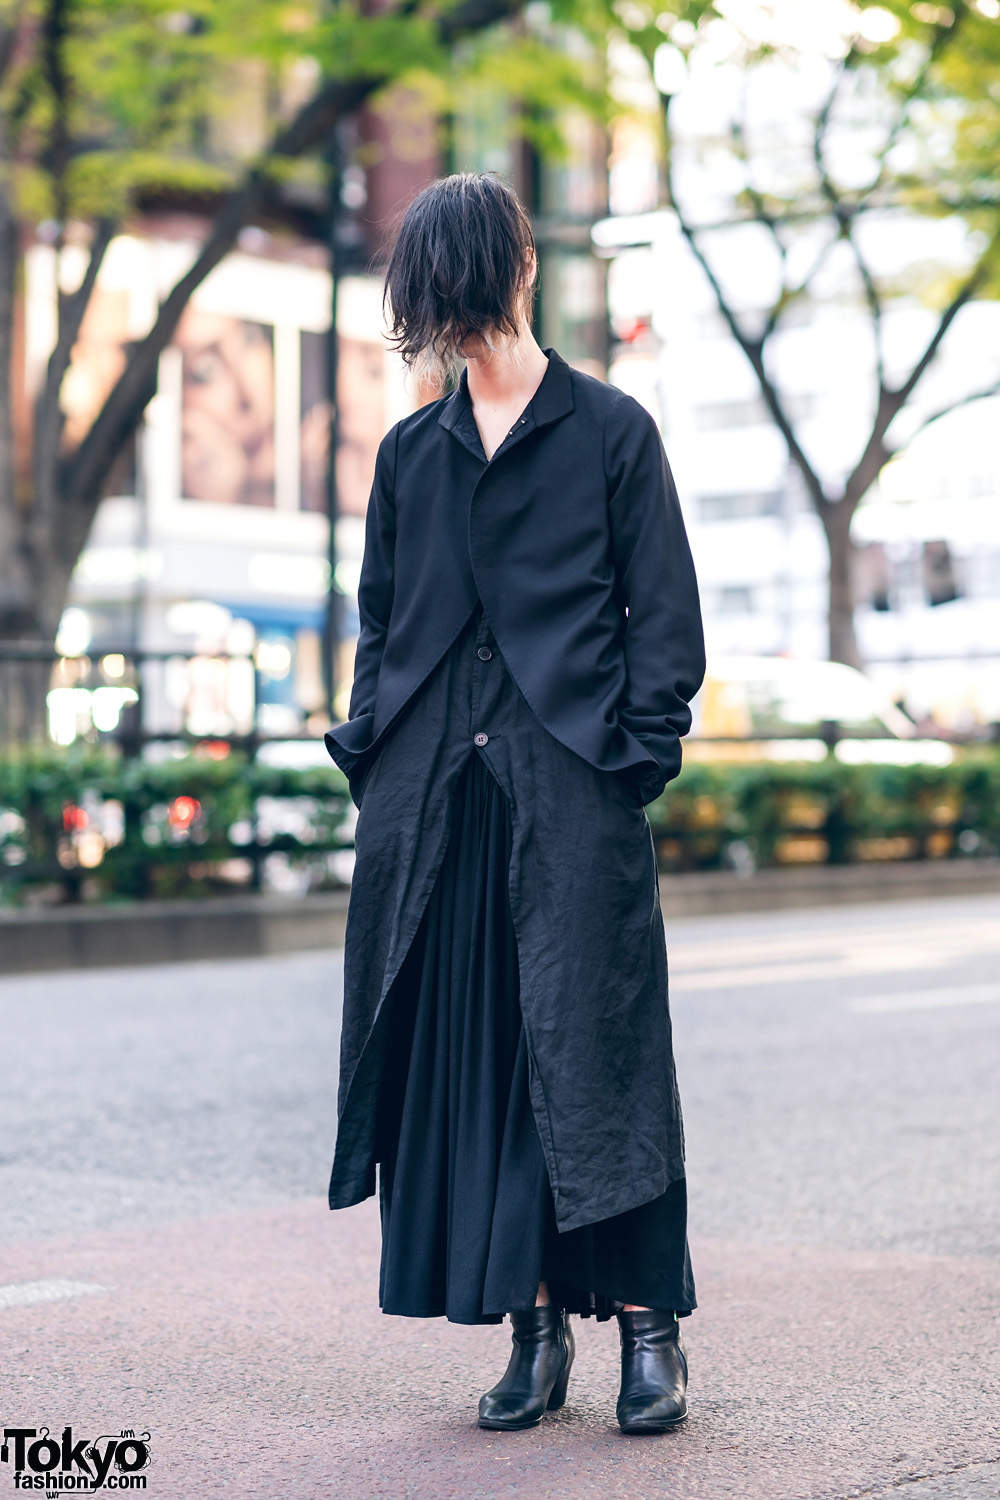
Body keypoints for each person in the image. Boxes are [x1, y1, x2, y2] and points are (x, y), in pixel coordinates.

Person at [324, 172, 706, 1436]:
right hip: (436, 798)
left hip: (573, 790)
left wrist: (632, 760)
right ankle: (531, 1325)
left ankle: (650, 1334)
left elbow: (665, 624)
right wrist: (376, 755)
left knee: (599, 1057)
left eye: (472, 304)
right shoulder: (410, 453)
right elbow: (383, 627)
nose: (463, 336)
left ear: (522, 275)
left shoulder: (608, 430)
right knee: (480, 1064)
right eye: (443, 314)